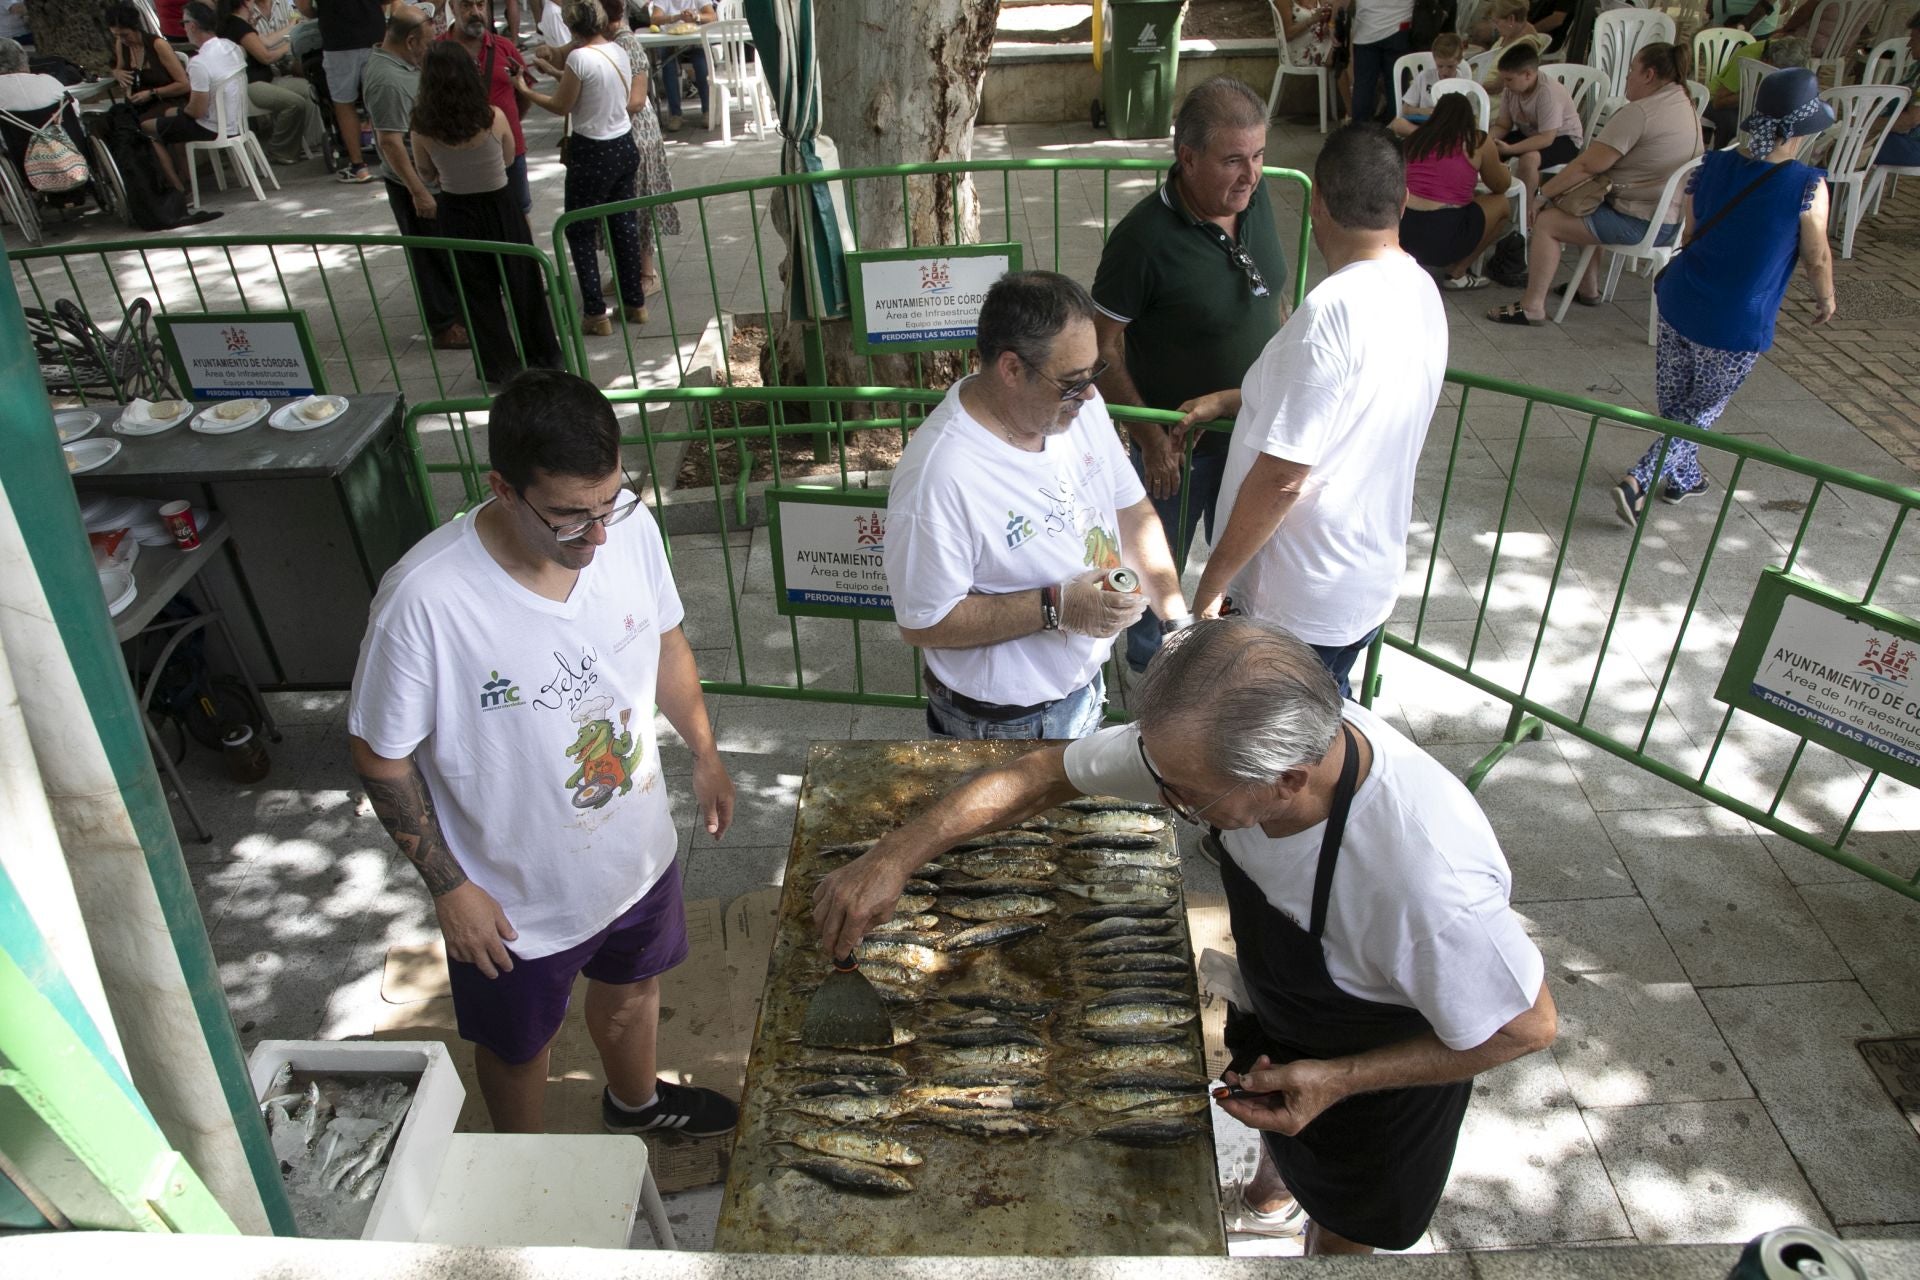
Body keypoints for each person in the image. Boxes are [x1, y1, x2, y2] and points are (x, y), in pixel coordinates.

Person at [811, 617, 1556, 1255]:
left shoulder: (1424, 882)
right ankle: (1274, 1189)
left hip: (1382, 1070)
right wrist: (895, 855)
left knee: (1350, 1223)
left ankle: (1324, 1241)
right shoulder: (1221, 745)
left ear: (1287, 782)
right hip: (1283, 1005)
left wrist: (1339, 1080)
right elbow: (1044, 775)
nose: (1165, 801)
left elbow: (1525, 1026)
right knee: (1275, 1114)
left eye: (1186, 797)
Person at [349, 369, 739, 1138]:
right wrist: (451, 889)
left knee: (634, 990)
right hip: (512, 897)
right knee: (518, 1045)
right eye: (567, 518)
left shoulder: (627, 529)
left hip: (635, 855)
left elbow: (663, 639)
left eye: (609, 504)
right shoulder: (424, 601)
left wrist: (704, 748)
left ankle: (636, 1105)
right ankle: (520, 1163)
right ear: (500, 487)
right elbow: (379, 756)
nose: (597, 537)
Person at [1170, 125, 1443, 700]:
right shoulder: (1418, 287)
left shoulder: (1330, 314)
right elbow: (1343, 396)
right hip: (1359, 579)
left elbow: (1283, 476)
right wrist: (1238, 397)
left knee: (1278, 762)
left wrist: (1212, 583)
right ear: (1403, 201)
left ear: (1316, 201)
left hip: (1299, 600)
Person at [883, 270, 1188, 740]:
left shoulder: (1076, 406)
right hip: (1002, 721)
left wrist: (1177, 622)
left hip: (1082, 688)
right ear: (1011, 368)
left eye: (1094, 374)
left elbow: (1132, 512)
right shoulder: (939, 476)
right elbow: (924, 622)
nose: (1089, 394)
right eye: (1070, 381)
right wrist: (1056, 607)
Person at [1091, 77, 1287, 675]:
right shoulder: (1142, 241)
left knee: (1254, 565)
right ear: (1188, 158)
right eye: (1233, 160)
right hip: (1177, 447)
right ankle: (1150, 679)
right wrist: (1150, 439)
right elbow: (1099, 349)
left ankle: (1234, 671)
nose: (1250, 175)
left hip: (1256, 435)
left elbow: (1273, 301)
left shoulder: (1259, 203)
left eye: (1257, 156)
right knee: (1155, 571)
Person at [1613, 67, 1835, 525]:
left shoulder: (1710, 166)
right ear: (1802, 133)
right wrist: (1826, 298)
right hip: (1736, 320)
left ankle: (1683, 477)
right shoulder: (1807, 186)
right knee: (1700, 410)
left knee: (1678, 402)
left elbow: (1691, 232)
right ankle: (1639, 479)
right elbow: (1817, 258)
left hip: (1680, 300)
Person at [1489, 42, 1702, 326]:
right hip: (1669, 219)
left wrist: (1542, 195)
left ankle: (1532, 306)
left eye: (1631, 71)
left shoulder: (1641, 112)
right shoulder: (1684, 101)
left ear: (1649, 75)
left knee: (1548, 222)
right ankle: (1588, 288)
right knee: (1588, 204)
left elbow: (1588, 165)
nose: (1627, 77)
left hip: (1642, 221)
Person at [411, 43, 564, 385]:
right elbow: (509, 158)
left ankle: (499, 367)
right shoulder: (493, 116)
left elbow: (426, 173)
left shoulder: (422, 127)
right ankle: (544, 356)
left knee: (477, 295)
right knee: (522, 283)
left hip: (457, 210)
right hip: (499, 204)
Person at [518, 0, 650, 336]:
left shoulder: (578, 57)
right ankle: (635, 302)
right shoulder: (616, 50)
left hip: (593, 150)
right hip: (623, 144)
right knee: (623, 225)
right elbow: (595, 85)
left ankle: (595, 312)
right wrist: (558, 74)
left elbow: (562, 104)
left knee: (579, 229)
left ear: (572, 27)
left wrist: (525, 91)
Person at [365, 3, 470, 352]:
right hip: (414, 184)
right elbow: (390, 141)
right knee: (430, 256)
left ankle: (457, 315)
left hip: (431, 177)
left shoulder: (403, 65)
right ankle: (445, 326)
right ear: (410, 41)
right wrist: (419, 191)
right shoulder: (387, 80)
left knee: (444, 253)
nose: (430, 47)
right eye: (427, 41)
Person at [1400, 92, 1513, 288]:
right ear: (1470, 119)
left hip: (1404, 231)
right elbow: (1500, 185)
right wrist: (1503, 168)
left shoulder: (1416, 138)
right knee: (1501, 204)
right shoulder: (1476, 141)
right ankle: (1458, 272)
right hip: (1445, 231)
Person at [609, 0, 680, 298]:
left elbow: (636, 100)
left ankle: (647, 272)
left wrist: (601, 109)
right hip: (618, 132)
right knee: (619, 204)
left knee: (639, 203)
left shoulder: (627, 44)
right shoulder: (607, 43)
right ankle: (626, 270)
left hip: (637, 133)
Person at [141, 4, 248, 195]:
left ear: (192, 26)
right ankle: (186, 174)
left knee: (147, 128)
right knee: (170, 113)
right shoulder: (231, 46)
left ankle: (178, 188)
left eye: (183, 23)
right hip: (237, 120)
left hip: (212, 127)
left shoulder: (199, 62)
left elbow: (196, 111)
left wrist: (184, 111)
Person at [445, 0, 533, 214]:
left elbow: (525, 92)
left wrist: (506, 125)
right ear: (452, 6)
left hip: (510, 151)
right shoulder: (438, 51)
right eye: (467, 5)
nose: (475, 12)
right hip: (460, 154)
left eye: (480, 4)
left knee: (519, 214)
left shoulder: (505, 47)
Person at [216, 0, 323, 166]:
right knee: (294, 103)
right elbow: (266, 56)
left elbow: (266, 41)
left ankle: (311, 143)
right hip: (251, 85)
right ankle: (278, 149)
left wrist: (291, 26)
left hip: (266, 79)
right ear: (244, 3)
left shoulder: (241, 24)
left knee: (309, 89)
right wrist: (290, 45)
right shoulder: (238, 26)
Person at [295, 0, 385, 183]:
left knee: (344, 103)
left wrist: (321, 11)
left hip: (338, 38)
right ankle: (392, 161)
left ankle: (359, 167)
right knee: (378, 100)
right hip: (374, 34)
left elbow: (305, 8)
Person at [1490, 42, 1583, 205]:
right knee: (1486, 149)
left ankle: (1525, 216)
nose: (1505, 84)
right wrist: (1486, 140)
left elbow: (1546, 138)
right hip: (1531, 133)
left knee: (1529, 159)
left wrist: (1511, 149)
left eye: (1509, 79)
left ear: (1528, 74)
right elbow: (1503, 125)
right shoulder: (1511, 89)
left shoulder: (1547, 93)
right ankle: (1493, 201)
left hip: (1563, 139)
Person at [1704, 35, 1809, 145]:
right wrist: (1752, 91)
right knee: (1737, 125)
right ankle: (1723, 158)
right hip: (1717, 100)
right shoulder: (1747, 58)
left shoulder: (1796, 58)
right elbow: (1718, 103)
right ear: (1767, 59)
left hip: (1759, 105)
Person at [107, 3, 190, 121]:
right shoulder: (121, 44)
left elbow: (184, 85)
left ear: (135, 28)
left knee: (138, 124)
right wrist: (117, 73)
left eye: (125, 35)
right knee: (111, 121)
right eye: (116, 36)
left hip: (165, 101)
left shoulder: (158, 45)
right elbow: (119, 69)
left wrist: (152, 93)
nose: (122, 40)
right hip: (137, 105)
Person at [646, 0, 712, 132]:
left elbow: (712, 16)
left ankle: (708, 110)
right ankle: (675, 114)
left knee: (701, 63)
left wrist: (696, 16)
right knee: (668, 65)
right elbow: (654, 19)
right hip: (670, 40)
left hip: (693, 39)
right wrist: (676, 17)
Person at [1348, 0, 1414, 125]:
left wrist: (1332, 24)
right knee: (1397, 87)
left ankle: (1358, 133)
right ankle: (1396, 131)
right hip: (1400, 28)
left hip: (1366, 31)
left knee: (1363, 86)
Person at [1389, 31, 1462, 136]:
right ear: (1434, 60)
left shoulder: (1463, 82)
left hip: (1448, 127)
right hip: (1422, 125)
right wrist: (1423, 111)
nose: (1445, 72)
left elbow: (1469, 116)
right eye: (1440, 66)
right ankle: (1429, 136)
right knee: (1398, 123)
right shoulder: (1424, 77)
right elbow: (1405, 109)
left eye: (1450, 66)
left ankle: (1430, 137)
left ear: (1459, 61)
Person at [1871, 14, 1919, 169]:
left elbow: (1912, 119)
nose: (1909, 44)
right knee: (1842, 142)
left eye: (1914, 38)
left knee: (1844, 146)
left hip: (1913, 145)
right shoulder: (1917, 67)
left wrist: (1869, 125)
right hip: (1903, 138)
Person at [1476, 0, 1549, 100]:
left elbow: (1498, 87)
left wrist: (1471, 85)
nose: (1495, 27)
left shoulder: (1524, 46)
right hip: (1480, 88)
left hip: (1491, 99)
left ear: (1511, 19)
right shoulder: (1510, 32)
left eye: (1496, 22)